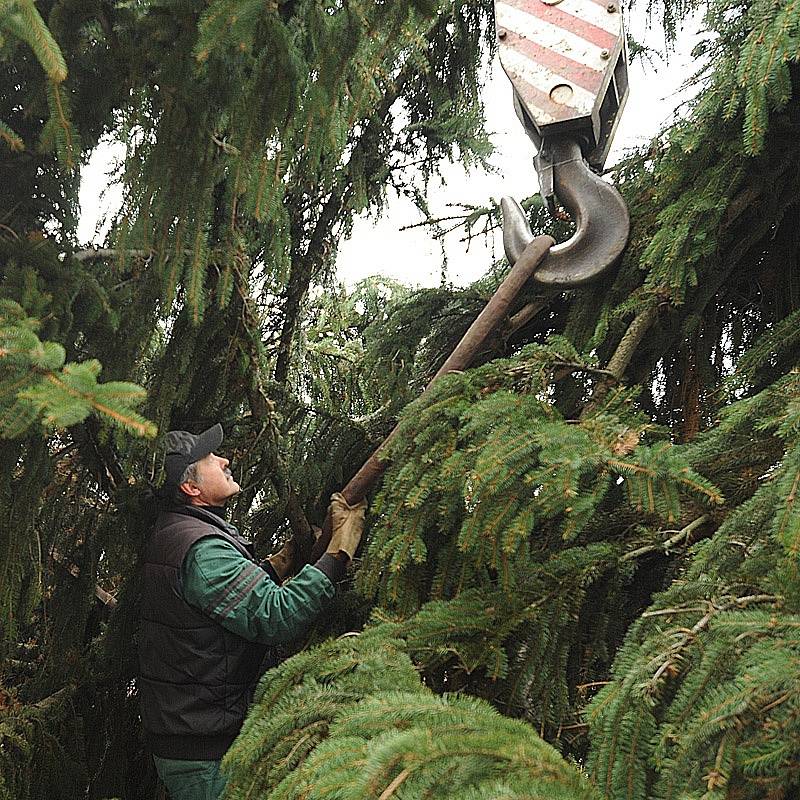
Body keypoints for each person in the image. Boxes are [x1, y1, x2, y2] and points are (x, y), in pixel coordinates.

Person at [138, 423, 366, 800]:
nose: (225, 460)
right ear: (191, 487)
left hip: (195, 743)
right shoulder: (203, 549)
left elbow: (217, 603)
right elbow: (278, 616)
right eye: (211, 458)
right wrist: (337, 554)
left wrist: (278, 564)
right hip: (208, 757)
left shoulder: (179, 531)